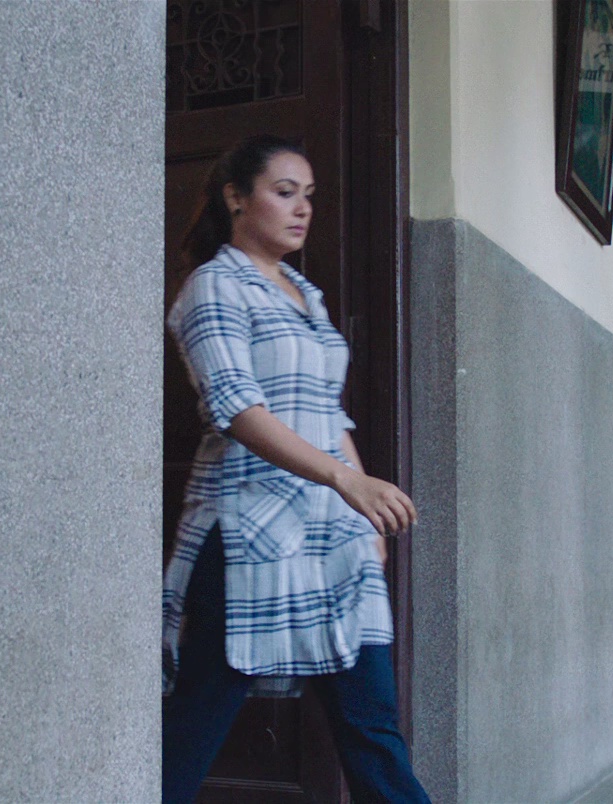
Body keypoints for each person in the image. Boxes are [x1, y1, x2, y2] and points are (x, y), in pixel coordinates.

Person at [161, 135, 430, 804]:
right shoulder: (215, 286)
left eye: (308, 195)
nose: (303, 208)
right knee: (196, 722)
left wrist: (361, 509)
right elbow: (236, 408)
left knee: (372, 722)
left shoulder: (307, 295)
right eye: (285, 193)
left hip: (332, 535)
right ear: (236, 198)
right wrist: (345, 481)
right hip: (248, 529)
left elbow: (327, 412)